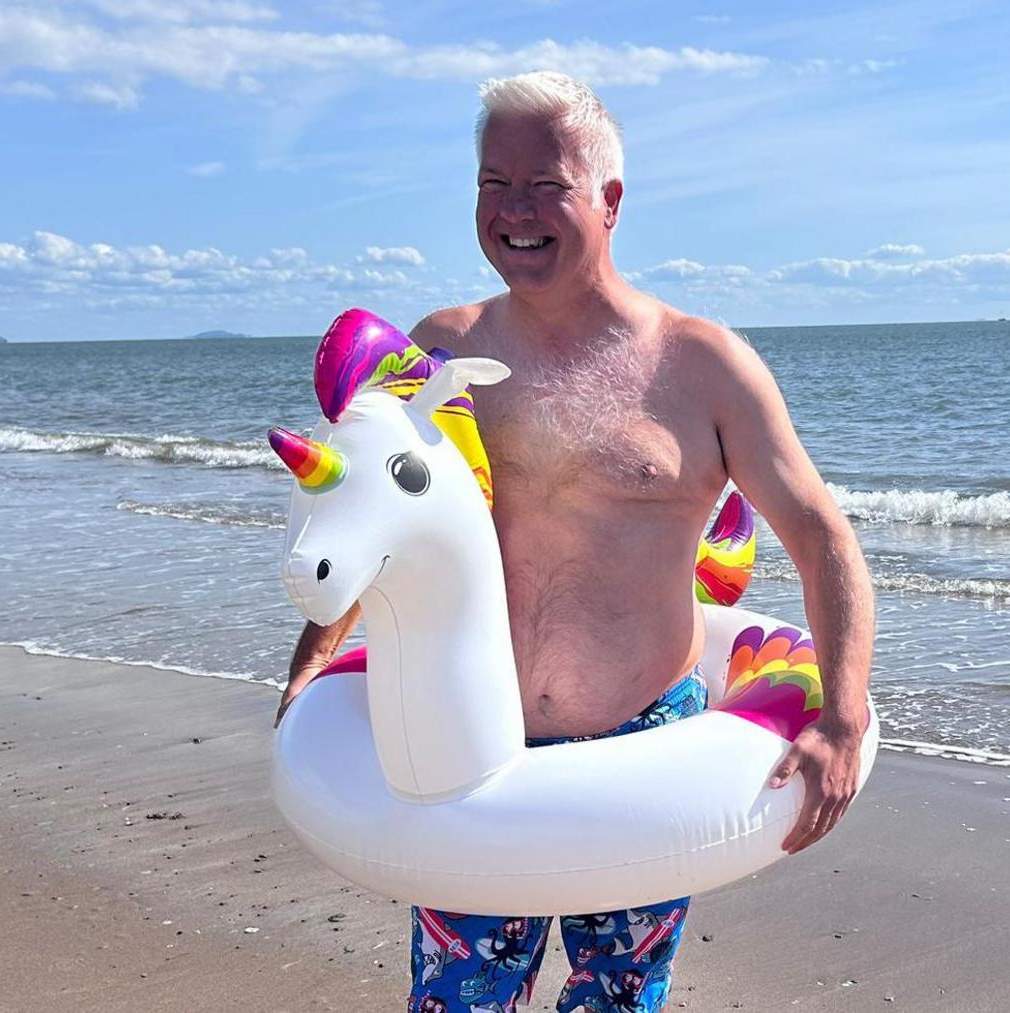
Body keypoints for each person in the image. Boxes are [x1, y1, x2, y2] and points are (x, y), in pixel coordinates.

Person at [277, 70, 875, 1012]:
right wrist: (318, 657)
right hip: (468, 737)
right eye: (492, 183)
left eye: (544, 183)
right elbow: (385, 524)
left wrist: (840, 717)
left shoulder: (701, 366)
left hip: (647, 746)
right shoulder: (437, 357)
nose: (514, 209)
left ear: (609, 198)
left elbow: (822, 537)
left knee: (617, 1002)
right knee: (457, 1001)